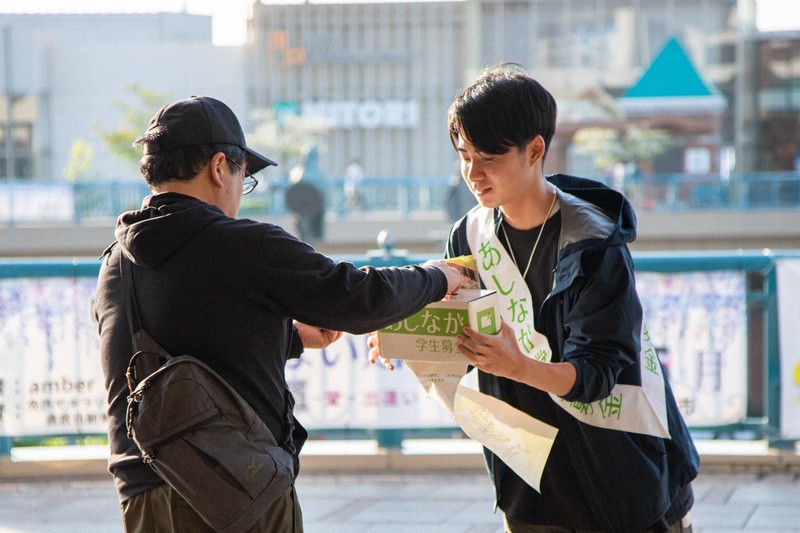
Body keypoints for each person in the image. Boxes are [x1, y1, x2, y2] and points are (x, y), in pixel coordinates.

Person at [93, 95, 462, 532]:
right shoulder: (246, 244)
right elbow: (359, 298)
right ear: (217, 168)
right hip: (235, 492)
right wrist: (437, 276)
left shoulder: (115, 264)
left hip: (142, 497)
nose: (238, 191)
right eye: (242, 176)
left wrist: (292, 337)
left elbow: (183, 336)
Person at [370, 64, 699, 533]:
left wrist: (516, 365)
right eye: (464, 155)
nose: (472, 173)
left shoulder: (594, 242)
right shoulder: (469, 235)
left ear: (535, 150)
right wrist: (407, 339)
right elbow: (463, 341)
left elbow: (599, 373)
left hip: (623, 472)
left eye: (488, 157)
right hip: (534, 483)